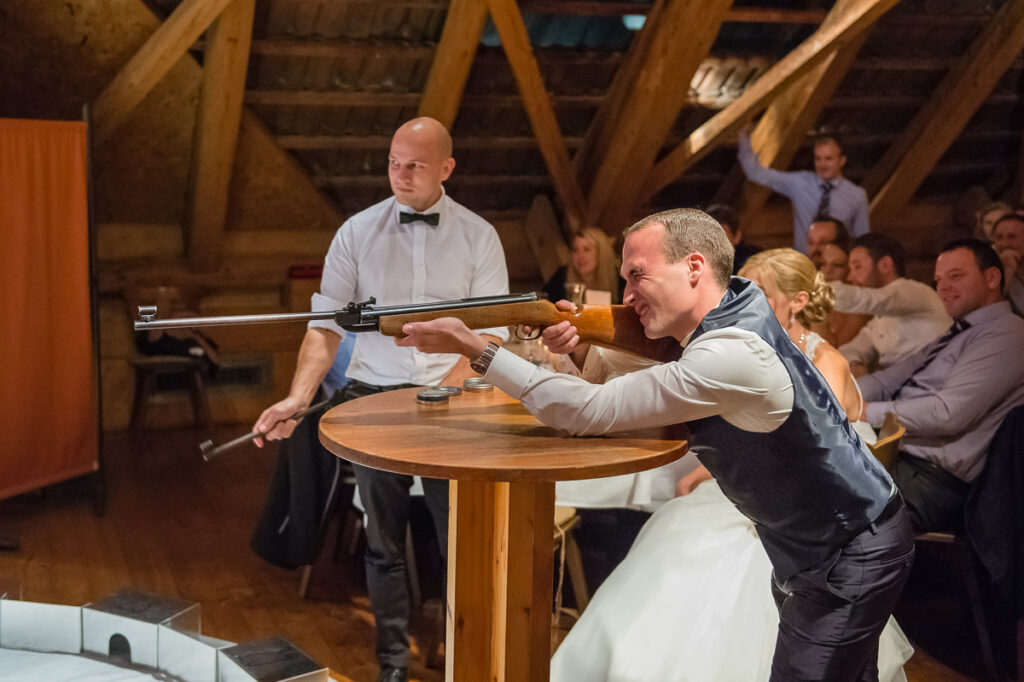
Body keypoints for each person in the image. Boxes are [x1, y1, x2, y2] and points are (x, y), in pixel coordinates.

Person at [398, 208, 914, 681]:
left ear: (693, 267)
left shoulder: (731, 354)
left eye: (637, 276)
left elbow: (589, 412)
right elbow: (645, 367)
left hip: (848, 549)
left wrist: (475, 348)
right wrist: (582, 343)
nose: (626, 295)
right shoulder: (736, 303)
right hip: (814, 543)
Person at [550, 248, 914, 682]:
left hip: (828, 522)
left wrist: (486, 355)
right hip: (797, 524)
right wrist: (586, 343)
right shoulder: (732, 341)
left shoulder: (806, 358)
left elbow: (807, 442)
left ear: (797, 301)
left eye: (756, 289)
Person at [252, 117, 510, 682]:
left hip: (452, 402)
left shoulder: (478, 235)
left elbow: (492, 333)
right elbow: (324, 327)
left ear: (446, 168)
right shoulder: (356, 231)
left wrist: (449, 386)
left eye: (415, 164)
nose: (401, 174)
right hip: (372, 397)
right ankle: (391, 665)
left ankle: (460, 660)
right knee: (382, 541)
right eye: (394, 161)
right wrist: (297, 398)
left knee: (456, 541)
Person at [859, 238, 1024, 532]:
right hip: (898, 463)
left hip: (932, 482)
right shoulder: (957, 333)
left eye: (956, 276)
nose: (943, 287)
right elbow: (888, 380)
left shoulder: (1009, 333)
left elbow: (948, 413)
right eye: (938, 280)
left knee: (813, 511)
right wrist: (832, 393)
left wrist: (863, 411)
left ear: (992, 278)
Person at [832, 234, 950, 376]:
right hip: (895, 387)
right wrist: (853, 363)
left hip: (930, 383)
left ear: (885, 265)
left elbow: (869, 299)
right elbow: (853, 349)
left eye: (857, 267)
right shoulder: (880, 318)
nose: (850, 278)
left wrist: (814, 290)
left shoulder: (913, 292)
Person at [738, 130, 869, 252]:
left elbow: (862, 241)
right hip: (804, 264)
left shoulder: (857, 195)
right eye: (818, 159)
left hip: (838, 267)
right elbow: (756, 173)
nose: (822, 165)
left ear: (842, 160)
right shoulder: (800, 183)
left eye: (828, 159)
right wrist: (743, 135)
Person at [543, 226, 624, 304]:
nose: (580, 256)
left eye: (586, 249)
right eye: (575, 250)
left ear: (601, 254)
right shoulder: (561, 278)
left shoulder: (619, 284)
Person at [816, 240, 872, 348]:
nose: (827, 271)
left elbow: (832, 353)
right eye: (823, 263)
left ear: (851, 270)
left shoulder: (859, 311)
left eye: (837, 265)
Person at [705, 203, 762, 274]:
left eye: (723, 237)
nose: (714, 243)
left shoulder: (751, 265)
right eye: (708, 236)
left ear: (737, 237)